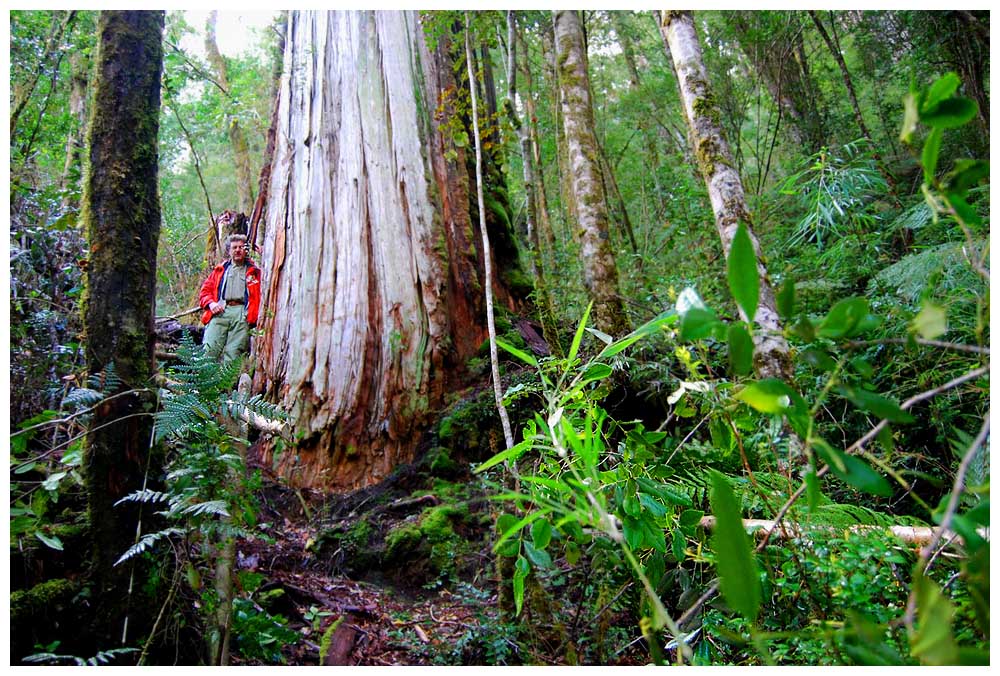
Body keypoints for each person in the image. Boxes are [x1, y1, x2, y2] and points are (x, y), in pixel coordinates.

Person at [199, 232, 261, 363]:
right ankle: (204, 381)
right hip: (220, 310)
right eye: (234, 247)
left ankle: (227, 384)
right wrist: (211, 304)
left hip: (242, 314)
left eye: (241, 247)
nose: (238, 250)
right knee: (209, 349)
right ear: (229, 250)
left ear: (246, 250)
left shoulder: (255, 272)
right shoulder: (220, 270)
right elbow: (205, 291)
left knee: (234, 353)